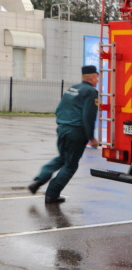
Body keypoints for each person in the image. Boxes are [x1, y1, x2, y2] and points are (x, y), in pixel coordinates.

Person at [28, 65, 100, 204]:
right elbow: (88, 117)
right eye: (97, 77)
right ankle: (52, 194)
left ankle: (40, 179)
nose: (97, 80)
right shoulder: (91, 92)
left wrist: (63, 125)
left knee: (62, 158)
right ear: (92, 77)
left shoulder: (72, 89)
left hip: (62, 128)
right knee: (71, 165)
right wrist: (91, 137)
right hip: (76, 132)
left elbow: (59, 109)